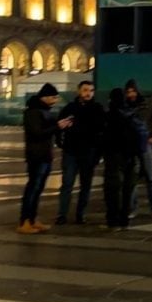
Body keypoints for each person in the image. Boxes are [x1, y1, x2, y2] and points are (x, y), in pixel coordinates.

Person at [18, 83, 72, 234]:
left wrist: (58, 126)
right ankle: (24, 221)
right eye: (53, 97)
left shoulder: (44, 111)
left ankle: (33, 219)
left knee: (38, 189)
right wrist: (57, 127)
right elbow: (37, 133)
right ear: (46, 97)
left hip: (45, 155)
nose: (55, 100)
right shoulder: (33, 112)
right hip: (36, 156)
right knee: (32, 188)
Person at [55, 81, 106, 225]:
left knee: (86, 185)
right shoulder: (70, 108)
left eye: (91, 90)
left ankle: (80, 214)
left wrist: (98, 153)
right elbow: (59, 125)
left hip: (89, 152)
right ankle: (62, 215)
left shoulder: (97, 109)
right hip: (71, 151)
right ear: (79, 91)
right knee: (67, 184)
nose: (88, 93)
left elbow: (102, 132)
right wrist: (61, 143)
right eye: (85, 90)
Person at [102, 88, 139, 230]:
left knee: (112, 188)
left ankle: (113, 220)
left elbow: (105, 136)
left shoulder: (109, 115)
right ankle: (125, 219)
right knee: (127, 189)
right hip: (130, 155)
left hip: (113, 154)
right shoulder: (131, 113)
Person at [125, 79, 152, 218]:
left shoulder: (149, 104)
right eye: (128, 92)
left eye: (133, 91)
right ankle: (132, 208)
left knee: (151, 177)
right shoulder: (125, 105)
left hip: (145, 143)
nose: (131, 94)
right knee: (131, 178)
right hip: (130, 144)